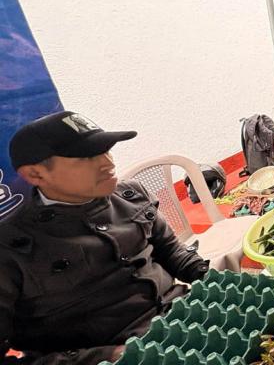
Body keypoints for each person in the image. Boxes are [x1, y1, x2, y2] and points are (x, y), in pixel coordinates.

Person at [0, 111, 210, 364]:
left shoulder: (132, 194)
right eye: (86, 157)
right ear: (36, 175)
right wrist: (106, 357)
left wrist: (210, 280)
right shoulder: (9, 249)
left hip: (187, 317)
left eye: (106, 150)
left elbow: (172, 252)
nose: (108, 163)